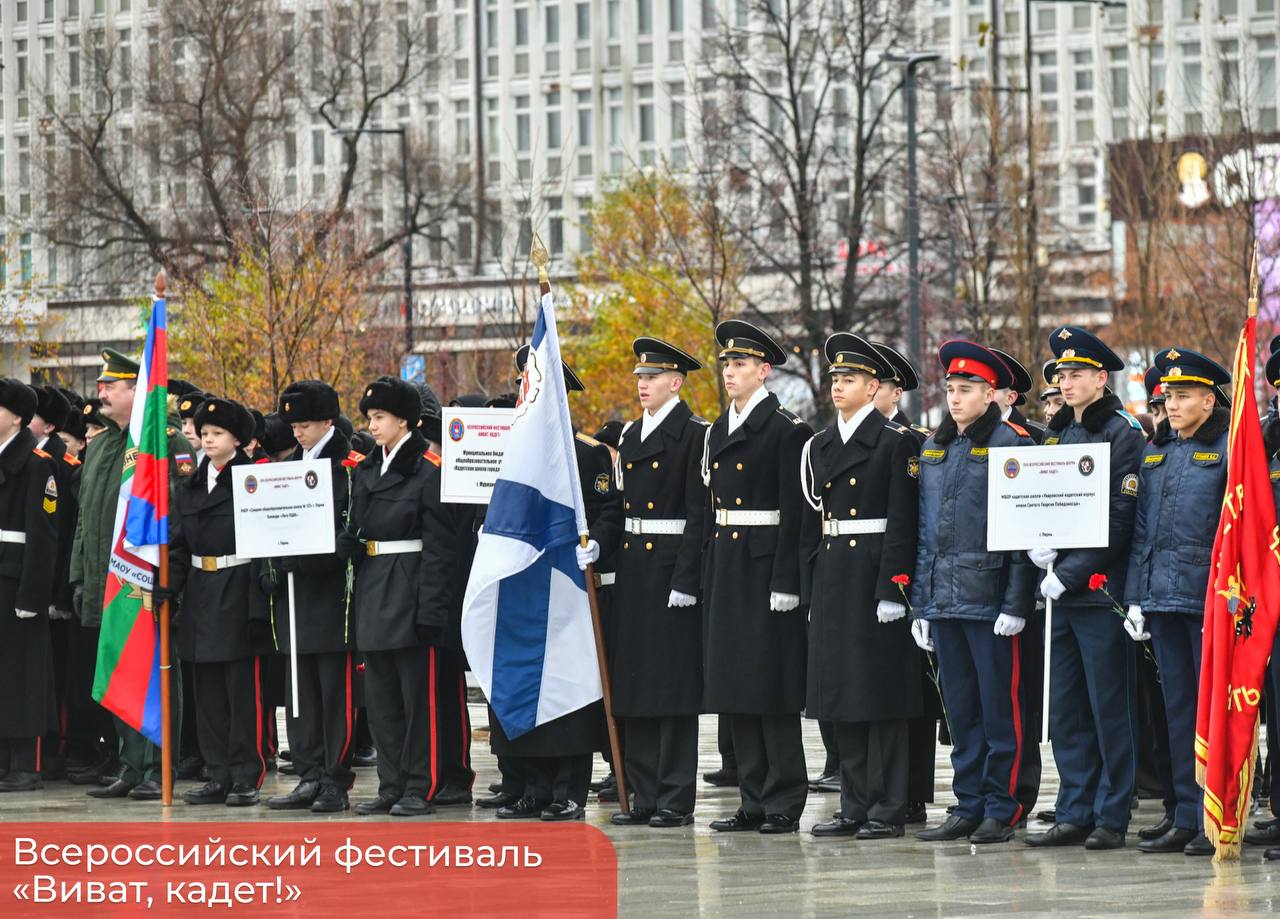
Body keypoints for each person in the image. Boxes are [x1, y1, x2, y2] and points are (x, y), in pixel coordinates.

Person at [487, 349, 622, 822]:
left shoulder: (585, 453)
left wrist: (597, 544)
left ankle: (569, 790)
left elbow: (609, 510)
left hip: (565, 586)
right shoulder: (510, 448)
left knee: (567, 690)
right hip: (519, 584)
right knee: (523, 685)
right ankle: (533, 786)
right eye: (527, 383)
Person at [911, 341, 1037, 844]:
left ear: (991, 394)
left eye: (966, 390)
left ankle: (1004, 806)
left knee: (998, 711)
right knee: (960, 711)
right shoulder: (935, 448)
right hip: (945, 599)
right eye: (951, 389)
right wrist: (921, 603)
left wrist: (1015, 603)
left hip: (990, 600)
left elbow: (1025, 533)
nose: (955, 398)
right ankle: (968, 802)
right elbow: (925, 532)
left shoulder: (1012, 445)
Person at [1024, 327, 1145, 851]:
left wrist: (1069, 571)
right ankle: (1074, 807)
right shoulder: (1056, 434)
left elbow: (1121, 519)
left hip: (1099, 590)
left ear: (1101, 377)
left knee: (1108, 706)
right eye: (1060, 375)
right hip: (1061, 593)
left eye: (1076, 374)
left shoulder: (1122, 433)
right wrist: (1036, 547)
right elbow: (1040, 502)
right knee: (1067, 708)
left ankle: (1111, 814)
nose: (1065, 383)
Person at [801, 334, 920, 839]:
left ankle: (887, 807)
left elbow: (903, 520)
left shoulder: (896, 442)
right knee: (841, 696)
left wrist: (894, 588)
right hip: (834, 575)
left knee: (881, 697)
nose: (838, 387)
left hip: (874, 574)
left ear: (874, 387)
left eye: (848, 379)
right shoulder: (822, 444)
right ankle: (853, 803)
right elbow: (816, 521)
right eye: (834, 379)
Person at [702, 320, 812, 835]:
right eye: (726, 363)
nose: (730, 372)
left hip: (767, 566)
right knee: (736, 688)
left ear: (764, 371)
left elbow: (797, 514)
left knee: (771, 687)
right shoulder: (718, 430)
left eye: (740, 364)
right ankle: (751, 797)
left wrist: (788, 581)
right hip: (729, 563)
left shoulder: (788, 430)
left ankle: (784, 797)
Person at [72, 349, 194, 801]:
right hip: (109, 582)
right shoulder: (103, 443)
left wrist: (170, 579)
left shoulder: (165, 442)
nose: (101, 392)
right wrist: (79, 576)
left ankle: (158, 766)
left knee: (158, 673)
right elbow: (87, 519)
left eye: (113, 385)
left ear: (137, 391)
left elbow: (178, 517)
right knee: (119, 669)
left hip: (147, 582)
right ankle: (129, 762)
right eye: (103, 384)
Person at [1124, 348, 1229, 858]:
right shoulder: (1157, 452)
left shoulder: (1229, 450)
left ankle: (1220, 815)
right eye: (1169, 395)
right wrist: (1137, 598)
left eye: (1183, 395)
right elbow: (1143, 530)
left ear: (1210, 400)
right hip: (1164, 598)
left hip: (1210, 600)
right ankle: (1186, 814)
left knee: (1217, 715)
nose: (1172, 403)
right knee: (1177, 712)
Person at [603, 338, 708, 828]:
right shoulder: (628, 436)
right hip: (634, 567)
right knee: (636, 684)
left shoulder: (693, 434)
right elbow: (618, 508)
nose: (642, 385)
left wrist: (687, 578)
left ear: (676, 382)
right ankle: (642, 791)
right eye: (639, 378)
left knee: (671, 687)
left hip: (670, 567)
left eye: (652, 378)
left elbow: (698, 514)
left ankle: (673, 796)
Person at [341, 376, 455, 817]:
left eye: (380, 417)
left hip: (409, 588)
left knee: (417, 699)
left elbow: (440, 549)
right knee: (382, 699)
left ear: (404, 420)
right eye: (369, 417)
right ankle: (391, 784)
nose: (372, 425)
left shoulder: (427, 470)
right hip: (374, 587)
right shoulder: (368, 469)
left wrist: (432, 610)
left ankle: (419, 785)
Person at [168, 397, 273, 807]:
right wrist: (170, 585)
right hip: (200, 589)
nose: (208, 440)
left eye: (218, 434)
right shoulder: (192, 484)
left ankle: (247, 773)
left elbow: (263, 544)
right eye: (205, 434)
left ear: (238, 439)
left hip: (238, 584)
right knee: (207, 690)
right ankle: (217, 772)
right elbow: (178, 543)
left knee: (241, 691)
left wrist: (257, 601)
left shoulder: (252, 481)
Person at [263, 381, 357, 814]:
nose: (297, 434)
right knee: (299, 691)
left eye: (304, 425)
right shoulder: (289, 466)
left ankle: (334, 777)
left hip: (331, 596)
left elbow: (350, 531)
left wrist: (309, 557)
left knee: (334, 692)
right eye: (293, 425)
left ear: (326, 421)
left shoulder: (350, 465)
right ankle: (308, 771)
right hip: (293, 596)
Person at [870, 340, 937, 825]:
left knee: (910, 692)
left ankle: (912, 791)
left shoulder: (910, 439)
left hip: (904, 579)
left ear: (894, 392)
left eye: (880, 385)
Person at [0, 380, 60, 791]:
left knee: (24, 675)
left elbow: (44, 536)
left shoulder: (37, 464)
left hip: (16, 582)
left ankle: (26, 763)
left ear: (16, 417)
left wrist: (33, 595)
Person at [991, 348, 1047, 444]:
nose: (983, 396)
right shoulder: (967, 432)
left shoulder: (1038, 435)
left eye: (991, 391)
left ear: (1010, 398)